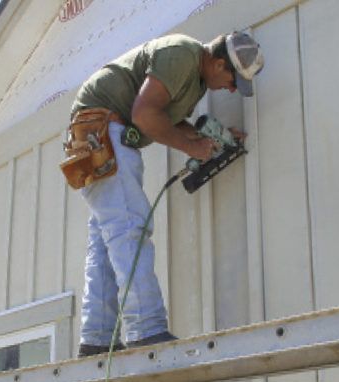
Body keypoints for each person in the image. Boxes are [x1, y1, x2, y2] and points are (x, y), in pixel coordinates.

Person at [68, 32, 264, 357]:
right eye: (233, 81)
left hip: (98, 135)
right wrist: (192, 147)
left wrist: (212, 137)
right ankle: (146, 329)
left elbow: (163, 116)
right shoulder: (182, 54)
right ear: (217, 63)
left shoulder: (193, 78)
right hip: (105, 131)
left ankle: (97, 337)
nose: (231, 89)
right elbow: (146, 115)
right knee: (130, 228)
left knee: (107, 241)